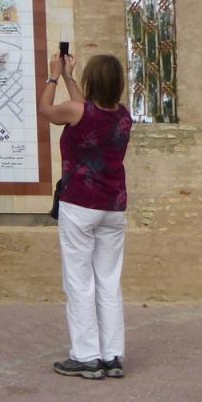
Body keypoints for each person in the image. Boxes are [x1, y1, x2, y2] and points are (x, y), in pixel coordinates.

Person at [38, 50, 133, 380]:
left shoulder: (79, 111)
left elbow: (47, 110)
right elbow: (85, 109)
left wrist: (53, 76)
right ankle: (112, 355)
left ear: (92, 81)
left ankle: (86, 355)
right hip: (113, 207)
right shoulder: (123, 116)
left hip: (80, 204)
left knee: (79, 281)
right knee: (108, 281)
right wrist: (69, 76)